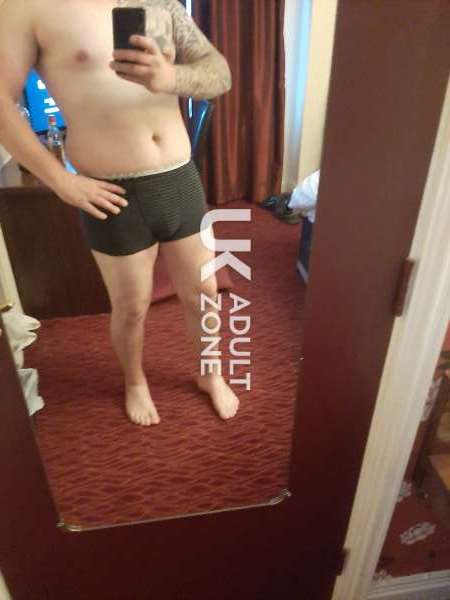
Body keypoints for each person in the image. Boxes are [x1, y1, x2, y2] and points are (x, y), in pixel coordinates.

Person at [0, 0, 240, 427]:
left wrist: (171, 77)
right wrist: (60, 180)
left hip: (179, 177)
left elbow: (219, 73)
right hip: (113, 192)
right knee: (131, 307)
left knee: (205, 293)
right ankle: (134, 381)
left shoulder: (159, 2)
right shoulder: (25, 6)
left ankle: (210, 373)